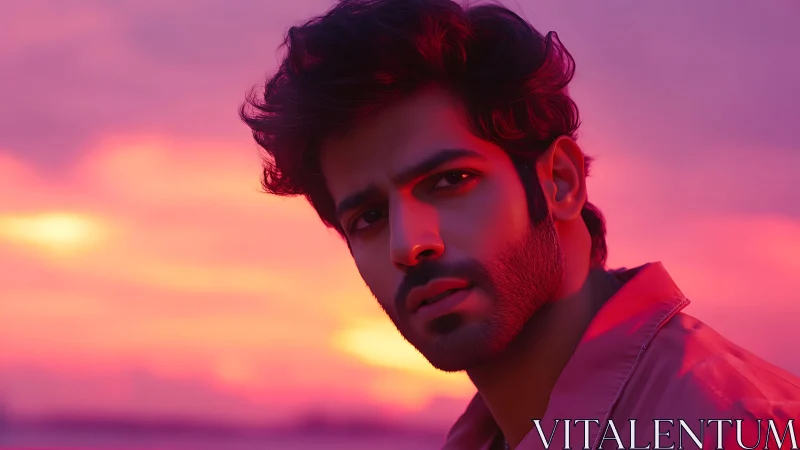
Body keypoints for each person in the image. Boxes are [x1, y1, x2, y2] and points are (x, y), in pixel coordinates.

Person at [240, 0, 800, 448]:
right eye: (368, 217)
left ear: (559, 182)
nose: (409, 244)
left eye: (450, 181)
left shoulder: (735, 428)